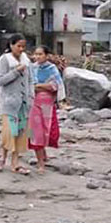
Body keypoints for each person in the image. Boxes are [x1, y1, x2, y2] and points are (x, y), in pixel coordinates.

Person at [0, 34, 33, 175]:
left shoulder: (26, 60)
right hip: (9, 103)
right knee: (9, 132)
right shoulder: (4, 60)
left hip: (24, 104)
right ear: (11, 45)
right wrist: (16, 72)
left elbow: (30, 80)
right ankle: (2, 158)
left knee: (21, 133)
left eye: (23, 46)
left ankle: (15, 163)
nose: (21, 49)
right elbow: (0, 81)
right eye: (18, 46)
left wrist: (31, 96)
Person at [28, 46, 64, 174]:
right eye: (36, 54)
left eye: (40, 54)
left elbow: (55, 86)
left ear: (46, 55)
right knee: (36, 132)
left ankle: (44, 153)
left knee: (49, 131)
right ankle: (40, 163)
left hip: (48, 105)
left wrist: (39, 86)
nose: (37, 57)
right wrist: (44, 87)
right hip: (34, 104)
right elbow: (30, 86)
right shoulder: (32, 68)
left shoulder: (52, 69)